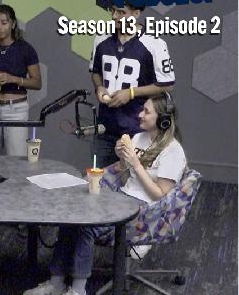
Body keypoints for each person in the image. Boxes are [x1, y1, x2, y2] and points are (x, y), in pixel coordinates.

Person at [24, 93, 186, 295]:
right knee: (70, 217)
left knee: (87, 226)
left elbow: (160, 195)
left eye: (146, 111)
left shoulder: (173, 152)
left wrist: (136, 164)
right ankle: (56, 283)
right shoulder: (139, 138)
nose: (140, 115)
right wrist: (123, 159)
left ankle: (77, 290)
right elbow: (126, 180)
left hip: (145, 212)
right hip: (123, 199)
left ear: (163, 120)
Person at [90, 3, 175, 168]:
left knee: (134, 179)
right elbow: (95, 72)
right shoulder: (101, 38)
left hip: (138, 130)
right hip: (105, 127)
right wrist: (99, 86)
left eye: (121, 12)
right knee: (99, 177)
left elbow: (167, 84)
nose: (114, 16)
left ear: (136, 14)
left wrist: (131, 92)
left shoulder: (154, 43)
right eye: (112, 10)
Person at [0, 4, 41, 156]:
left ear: (13, 24)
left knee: (16, 158)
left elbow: (37, 82)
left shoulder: (25, 49)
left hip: (16, 109)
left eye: (4, 23)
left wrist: (11, 79)